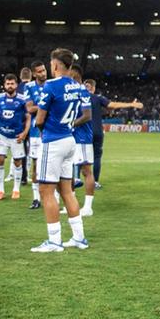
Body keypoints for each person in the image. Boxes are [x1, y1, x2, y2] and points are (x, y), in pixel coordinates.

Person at [30, 47, 88, 253]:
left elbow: (39, 119)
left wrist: (43, 131)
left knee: (46, 190)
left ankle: (54, 241)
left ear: (55, 65)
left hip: (53, 141)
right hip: (70, 139)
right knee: (67, 190)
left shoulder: (51, 86)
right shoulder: (76, 86)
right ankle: (79, 238)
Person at [84, 78, 142, 188]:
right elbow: (113, 105)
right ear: (94, 88)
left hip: (83, 131)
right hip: (97, 131)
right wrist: (131, 104)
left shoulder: (78, 98)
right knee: (96, 157)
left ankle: (76, 180)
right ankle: (95, 182)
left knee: (79, 156)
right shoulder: (98, 98)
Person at [0, 73, 33, 201]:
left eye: (12, 83)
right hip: (2, 135)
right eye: (7, 83)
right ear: (4, 85)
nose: (10, 86)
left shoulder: (22, 99)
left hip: (17, 136)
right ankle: (1, 190)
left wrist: (25, 132)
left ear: (16, 85)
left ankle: (16, 189)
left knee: (17, 162)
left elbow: (28, 117)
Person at [18, 62, 49, 210]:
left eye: (44, 70)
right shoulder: (29, 87)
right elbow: (29, 108)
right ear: (34, 74)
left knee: (52, 165)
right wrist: (48, 104)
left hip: (51, 131)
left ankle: (53, 197)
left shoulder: (52, 84)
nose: (44, 73)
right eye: (40, 71)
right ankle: (36, 198)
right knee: (36, 166)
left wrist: (42, 106)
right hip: (36, 133)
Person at [66, 65, 96, 216]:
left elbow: (87, 116)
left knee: (86, 171)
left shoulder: (83, 91)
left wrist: (70, 124)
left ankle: (88, 207)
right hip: (69, 137)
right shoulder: (69, 91)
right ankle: (71, 205)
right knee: (68, 172)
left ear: (75, 74)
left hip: (82, 137)